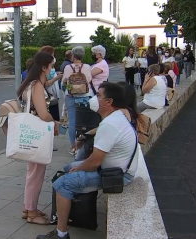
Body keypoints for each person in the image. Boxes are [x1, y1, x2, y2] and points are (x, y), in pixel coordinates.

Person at [37, 82, 138, 239]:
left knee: (62, 183)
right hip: (115, 169)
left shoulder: (110, 124)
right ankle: (72, 212)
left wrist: (79, 169)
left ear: (109, 101)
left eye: (98, 95)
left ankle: (61, 234)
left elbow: (95, 162)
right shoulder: (116, 117)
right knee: (68, 166)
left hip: (115, 176)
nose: (94, 98)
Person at [17, 52, 60, 225]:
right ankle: (32, 213)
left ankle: (28, 208)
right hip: (38, 135)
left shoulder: (30, 83)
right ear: (44, 67)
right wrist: (55, 121)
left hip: (31, 133)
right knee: (36, 175)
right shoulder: (37, 86)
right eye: (50, 67)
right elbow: (43, 113)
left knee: (32, 173)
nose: (51, 70)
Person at [62, 46, 93, 156]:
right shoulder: (87, 67)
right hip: (85, 96)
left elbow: (65, 81)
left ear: (73, 56)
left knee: (72, 122)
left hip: (71, 96)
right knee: (84, 122)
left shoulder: (67, 67)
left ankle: (73, 147)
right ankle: (83, 144)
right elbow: (89, 80)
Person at [39, 46, 63, 122]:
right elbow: (45, 83)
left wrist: (55, 74)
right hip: (49, 97)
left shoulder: (49, 69)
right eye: (52, 54)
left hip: (53, 97)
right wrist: (57, 77)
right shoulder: (42, 71)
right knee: (52, 120)